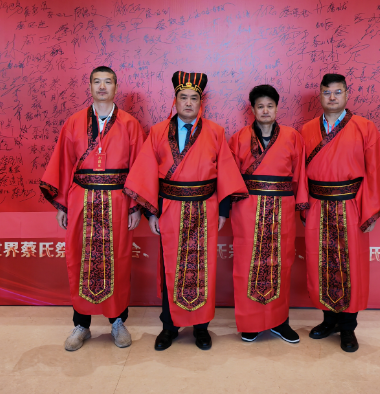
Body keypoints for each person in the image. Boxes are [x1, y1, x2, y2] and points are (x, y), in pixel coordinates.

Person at [123, 71, 247, 351]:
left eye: (194, 98)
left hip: (205, 208)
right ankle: (169, 326)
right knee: (171, 267)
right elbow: (146, 173)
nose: (188, 103)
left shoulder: (215, 131)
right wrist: (151, 213)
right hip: (170, 207)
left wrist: (223, 211)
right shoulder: (158, 132)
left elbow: (226, 171)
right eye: (183, 97)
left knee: (204, 268)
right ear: (175, 100)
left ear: (201, 102)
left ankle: (201, 328)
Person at [40, 66, 145, 351]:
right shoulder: (74, 122)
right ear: (89, 87)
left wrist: (135, 206)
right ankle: (81, 324)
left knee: (118, 259)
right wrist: (62, 204)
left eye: (107, 82)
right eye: (97, 82)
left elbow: (139, 167)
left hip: (118, 200)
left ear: (115, 87)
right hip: (81, 199)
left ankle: (117, 321)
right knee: (79, 258)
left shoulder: (130, 124)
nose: (102, 87)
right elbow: (63, 163)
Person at [301, 73, 380, 352]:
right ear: (320, 96)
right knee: (320, 263)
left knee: (351, 267)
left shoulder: (364, 127)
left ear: (347, 94)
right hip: (318, 205)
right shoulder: (307, 130)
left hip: (351, 206)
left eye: (338, 92)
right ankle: (328, 321)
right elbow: (299, 172)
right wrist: (304, 205)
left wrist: (370, 212)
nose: (332, 97)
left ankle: (348, 327)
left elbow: (376, 169)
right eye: (327, 92)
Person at [228, 85, 309, 343]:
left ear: (276, 108)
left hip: (282, 208)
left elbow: (300, 175)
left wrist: (301, 205)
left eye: (270, 106)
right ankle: (250, 322)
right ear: (252, 109)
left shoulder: (292, 136)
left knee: (281, 263)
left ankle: (280, 321)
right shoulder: (238, 138)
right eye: (260, 106)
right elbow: (229, 176)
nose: (265, 110)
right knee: (247, 263)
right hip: (247, 207)